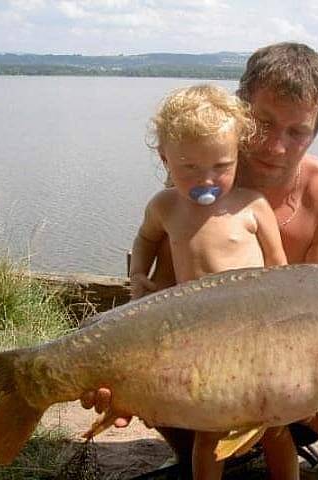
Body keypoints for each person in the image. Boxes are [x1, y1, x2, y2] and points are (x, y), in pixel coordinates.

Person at [82, 43, 318, 480]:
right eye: (264, 123)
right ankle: (195, 445)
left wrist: (264, 382)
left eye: (297, 132)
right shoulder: (200, 176)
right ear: (242, 111)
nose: (275, 145)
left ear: (315, 132)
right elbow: (168, 293)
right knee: (146, 372)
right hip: (209, 353)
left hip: (300, 360)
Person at [125, 83, 296, 480]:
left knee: (275, 428)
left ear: (238, 155)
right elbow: (146, 239)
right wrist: (138, 274)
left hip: (256, 335)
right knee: (210, 434)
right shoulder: (164, 206)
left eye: (221, 166)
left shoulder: (252, 206)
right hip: (199, 339)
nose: (208, 178)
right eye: (190, 168)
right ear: (165, 158)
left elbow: (281, 268)